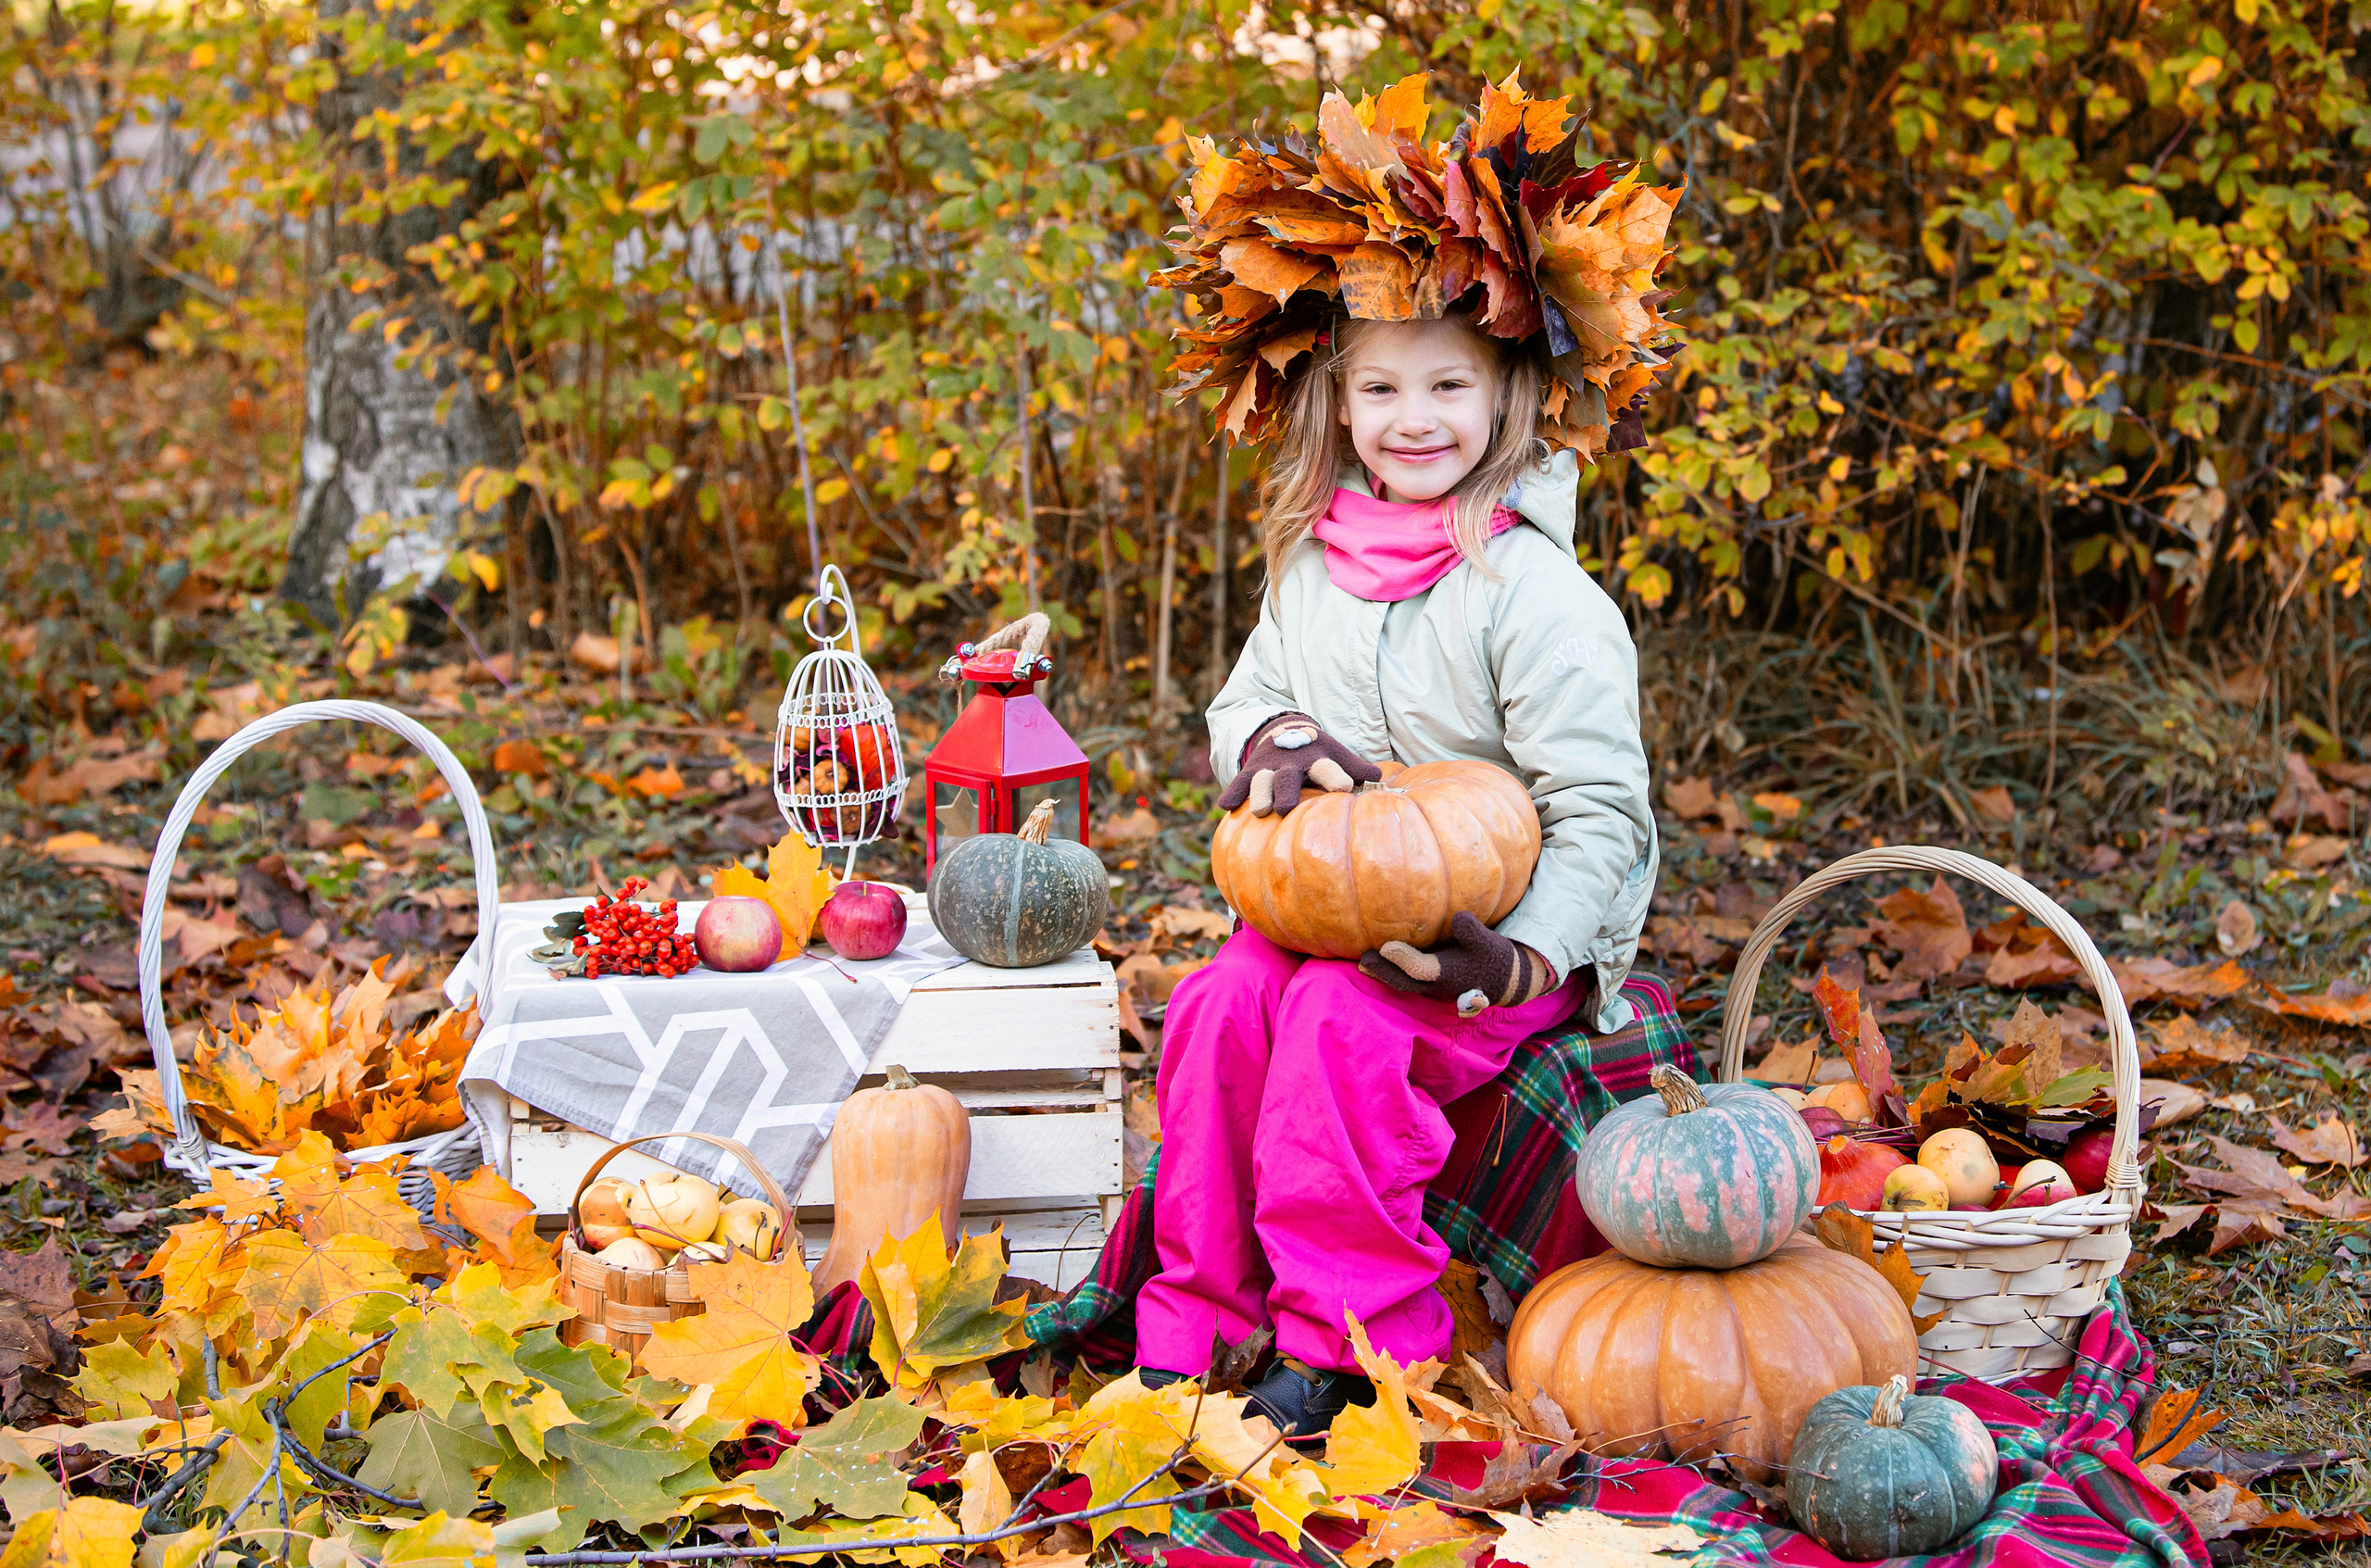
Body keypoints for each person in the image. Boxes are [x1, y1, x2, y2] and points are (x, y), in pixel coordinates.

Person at [1132, 73, 1680, 1436]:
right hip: (1326, 907)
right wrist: (1266, 745)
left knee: (1333, 1024)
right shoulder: (1313, 567)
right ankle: (1198, 1309)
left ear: (1509, 398)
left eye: (1449, 383)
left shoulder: (1533, 594)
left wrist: (1529, 953)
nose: (1413, 416)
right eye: (1381, 389)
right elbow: (1234, 708)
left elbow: (1601, 810)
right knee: (1214, 1007)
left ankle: (1353, 1331)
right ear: (1339, 403)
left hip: (1477, 945)